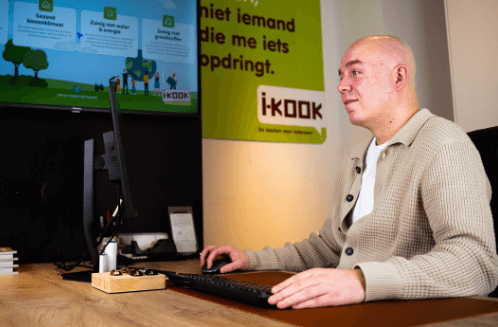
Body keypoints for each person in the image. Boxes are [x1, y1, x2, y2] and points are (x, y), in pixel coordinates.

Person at [201, 35, 498, 309]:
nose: (342, 86)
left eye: (355, 72)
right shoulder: (357, 155)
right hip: (356, 314)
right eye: (341, 76)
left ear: (398, 77)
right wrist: (250, 260)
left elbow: (476, 263)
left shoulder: (445, 143)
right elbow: (332, 248)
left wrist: (361, 281)